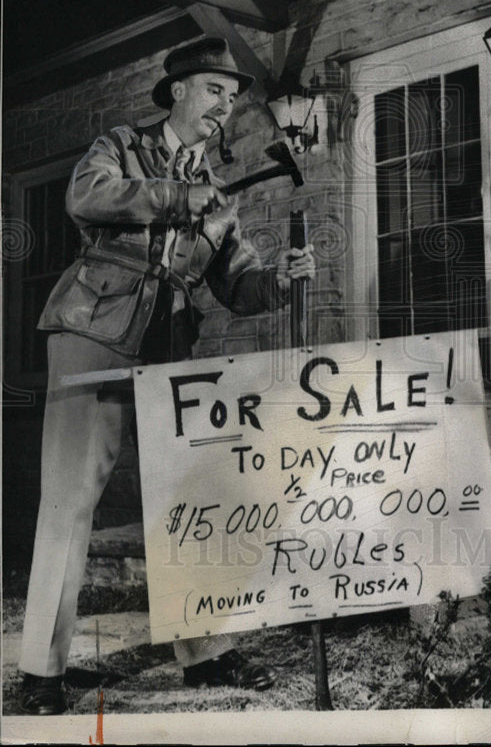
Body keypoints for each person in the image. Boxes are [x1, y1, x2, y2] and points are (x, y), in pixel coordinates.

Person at [17, 36, 315, 715]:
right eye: (214, 91)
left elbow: (236, 282)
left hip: (167, 345)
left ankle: (204, 653)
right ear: (177, 90)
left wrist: (279, 282)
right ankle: (41, 671)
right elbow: (87, 197)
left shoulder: (219, 189)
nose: (224, 107)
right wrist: (182, 195)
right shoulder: (120, 146)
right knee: (70, 499)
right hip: (92, 328)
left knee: (188, 500)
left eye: (232, 99)